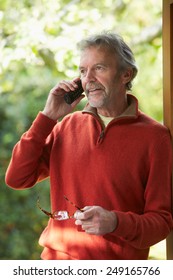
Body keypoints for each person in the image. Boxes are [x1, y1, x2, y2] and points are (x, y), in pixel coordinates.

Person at [5, 31, 173, 260]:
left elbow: (161, 222)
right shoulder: (66, 126)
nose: (88, 78)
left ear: (126, 74)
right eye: (83, 71)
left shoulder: (156, 138)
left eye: (99, 68)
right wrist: (47, 117)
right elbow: (17, 178)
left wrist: (115, 222)